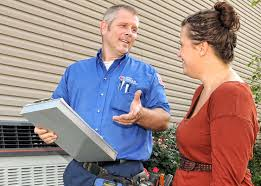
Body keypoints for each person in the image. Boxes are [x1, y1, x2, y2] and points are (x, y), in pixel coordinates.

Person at [34, 4, 170, 186]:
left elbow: (163, 120)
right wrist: (46, 129)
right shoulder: (75, 72)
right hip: (79, 174)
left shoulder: (147, 73)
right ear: (104, 27)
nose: (130, 33)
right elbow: (55, 113)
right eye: (124, 26)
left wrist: (141, 115)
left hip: (124, 176)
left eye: (135, 29)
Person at [173, 1, 259, 186]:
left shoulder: (233, 97)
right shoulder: (202, 91)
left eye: (182, 45)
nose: (179, 54)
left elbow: (226, 181)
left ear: (202, 47)